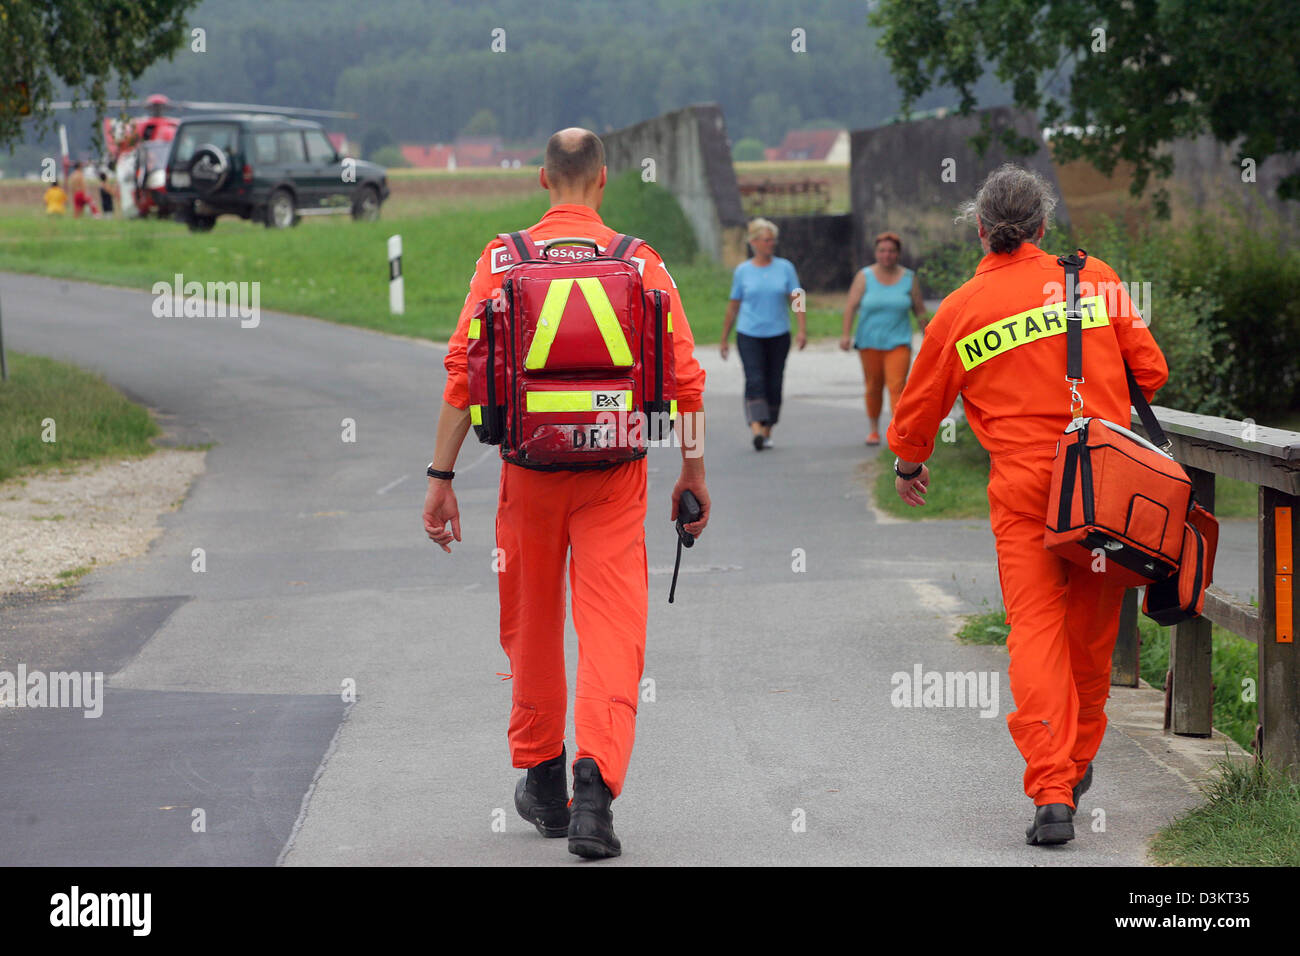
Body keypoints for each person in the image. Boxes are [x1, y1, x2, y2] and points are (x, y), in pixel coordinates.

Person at [422, 127, 710, 860]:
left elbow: (463, 370)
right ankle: (594, 789)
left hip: (529, 473)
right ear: (603, 181)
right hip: (615, 477)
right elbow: (684, 382)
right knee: (613, 628)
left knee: (532, 623)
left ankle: (543, 776)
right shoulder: (640, 261)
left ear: (544, 180)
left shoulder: (501, 258)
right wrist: (693, 474)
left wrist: (442, 478)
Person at [886, 164, 1168, 846]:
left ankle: (1050, 791)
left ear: (981, 231)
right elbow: (1150, 373)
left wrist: (909, 462)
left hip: (1023, 492)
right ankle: (1071, 768)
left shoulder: (958, 310)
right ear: (1043, 227)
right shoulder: (1093, 279)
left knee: (1035, 634)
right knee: (1091, 640)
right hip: (1102, 486)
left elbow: (919, 409)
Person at [719, 218, 806, 451]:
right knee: (754, 379)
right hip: (749, 334)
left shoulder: (785, 267)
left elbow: (797, 298)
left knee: (774, 382)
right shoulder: (743, 271)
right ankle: (756, 427)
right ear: (754, 242)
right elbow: (733, 305)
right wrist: (724, 338)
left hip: (778, 334)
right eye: (767, 240)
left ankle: (768, 429)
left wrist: (802, 329)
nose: (771, 244)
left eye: (773, 240)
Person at [840, 232, 928, 446]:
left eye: (891, 251)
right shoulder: (864, 276)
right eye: (882, 251)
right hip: (869, 341)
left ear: (898, 254)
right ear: (876, 253)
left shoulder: (909, 278)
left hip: (898, 341)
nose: (886, 255)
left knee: (897, 386)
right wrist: (845, 335)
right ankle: (873, 430)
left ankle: (897, 432)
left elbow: (920, 311)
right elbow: (851, 306)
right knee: (873, 386)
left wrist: (928, 337)